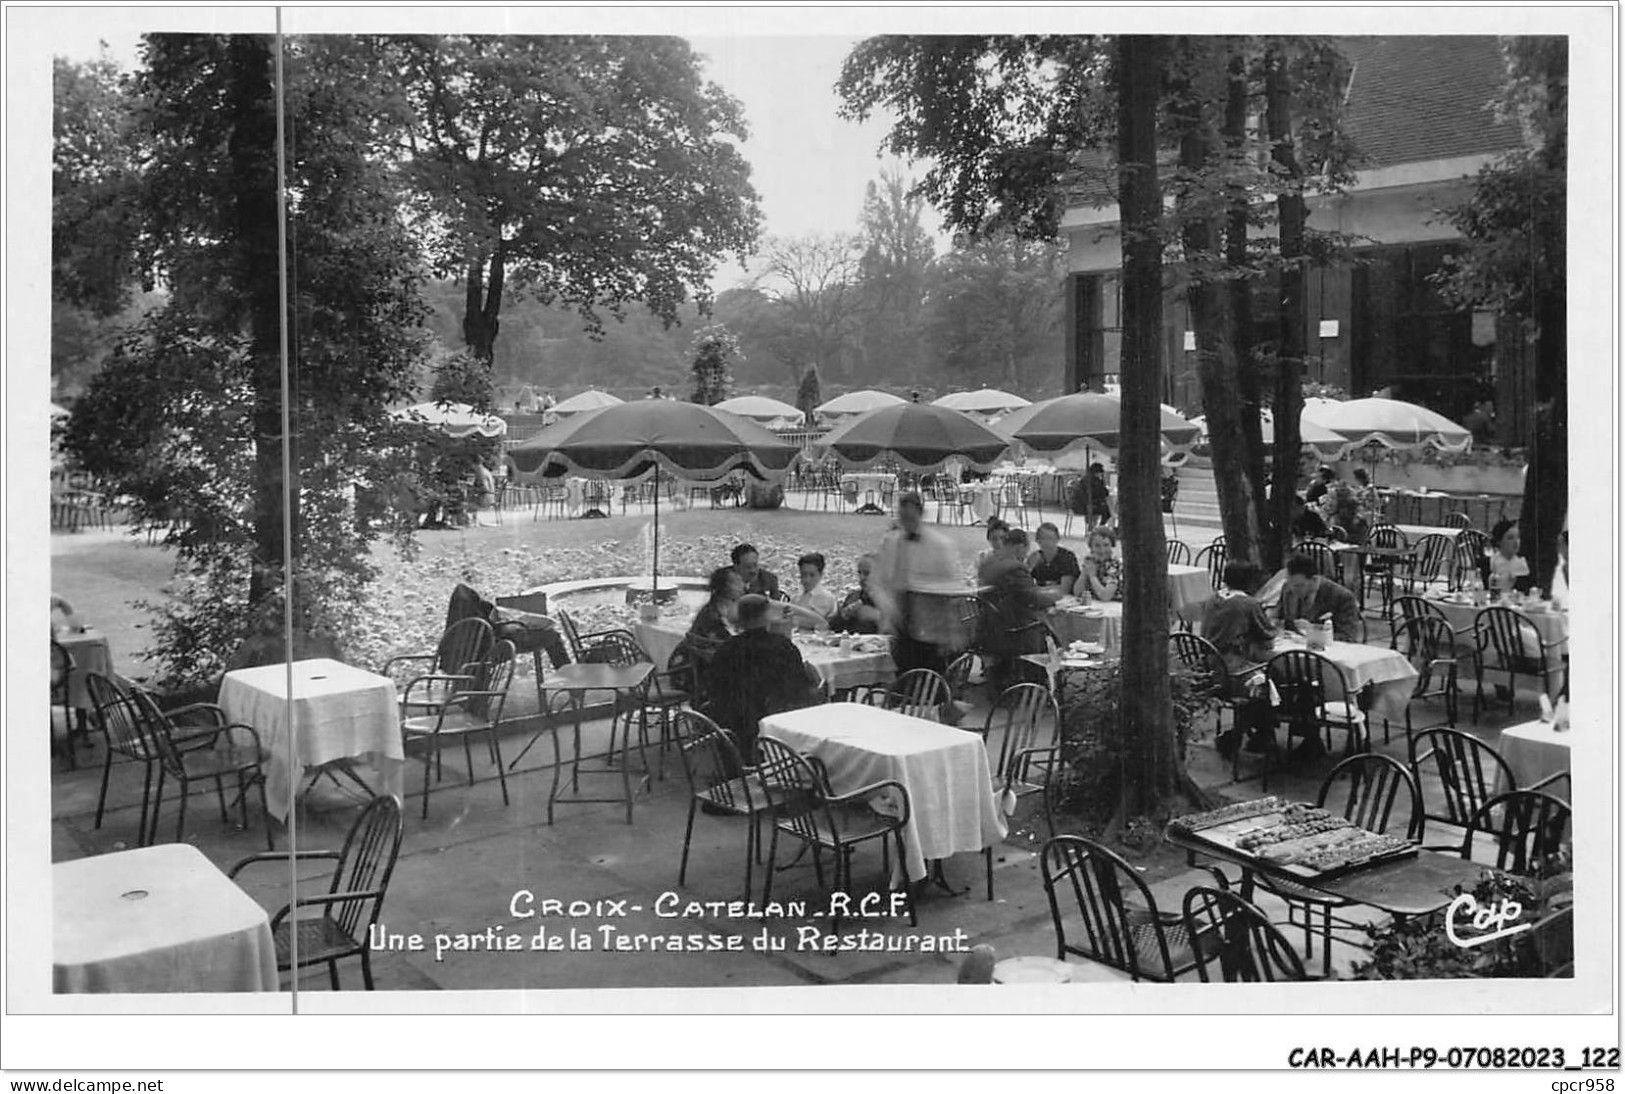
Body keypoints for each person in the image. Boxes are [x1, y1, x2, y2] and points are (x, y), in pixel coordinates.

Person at [700, 594, 819, 767]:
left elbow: (714, 686)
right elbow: (797, 690)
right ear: (766, 616)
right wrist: (813, 681)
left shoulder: (726, 649)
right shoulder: (782, 647)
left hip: (733, 729)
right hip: (773, 729)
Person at [873, 491, 961, 675]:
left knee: (928, 678)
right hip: (900, 620)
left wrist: (950, 632)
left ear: (920, 514)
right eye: (902, 516)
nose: (906, 522)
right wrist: (890, 610)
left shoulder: (940, 545)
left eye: (910, 517)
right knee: (901, 676)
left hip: (930, 623)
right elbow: (878, 581)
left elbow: (953, 587)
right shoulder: (890, 542)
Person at [1200, 561, 1280, 758]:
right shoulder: (1247, 604)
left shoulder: (1212, 599)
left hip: (1208, 668)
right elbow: (1267, 635)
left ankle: (1258, 733)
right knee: (1270, 676)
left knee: (1263, 677)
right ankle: (1247, 733)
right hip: (1232, 671)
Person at [976, 527, 1059, 695]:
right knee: (1053, 630)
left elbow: (1014, 592)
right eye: (1026, 550)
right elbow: (1033, 599)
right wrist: (1055, 598)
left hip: (986, 625)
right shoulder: (1014, 568)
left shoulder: (988, 562)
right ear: (1020, 546)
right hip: (1011, 631)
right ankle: (1041, 683)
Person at [1275, 553, 1362, 642]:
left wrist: (1313, 631)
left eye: (1299, 585)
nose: (1293, 590)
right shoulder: (1287, 588)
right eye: (1290, 584)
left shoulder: (1342, 597)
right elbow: (1279, 620)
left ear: (1314, 579)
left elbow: (1348, 637)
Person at [682, 566, 744, 670]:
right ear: (725, 587)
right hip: (718, 672)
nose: (742, 585)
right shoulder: (714, 616)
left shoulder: (717, 608)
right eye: (737, 582)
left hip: (708, 668)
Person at [833, 554, 884, 634]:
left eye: (867, 573)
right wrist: (844, 615)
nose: (862, 577)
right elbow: (834, 630)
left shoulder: (892, 603)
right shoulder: (853, 597)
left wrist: (876, 617)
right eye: (859, 573)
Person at [1027, 522, 1081, 596]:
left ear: (1057, 539)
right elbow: (1025, 584)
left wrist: (1039, 589)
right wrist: (1029, 567)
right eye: (1043, 538)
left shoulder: (1067, 557)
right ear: (1037, 540)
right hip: (1042, 596)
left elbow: (1065, 588)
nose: (1047, 542)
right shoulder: (1034, 557)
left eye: (1050, 538)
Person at [790, 552, 839, 626]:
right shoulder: (795, 599)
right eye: (803, 574)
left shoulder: (828, 599)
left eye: (812, 575)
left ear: (820, 574)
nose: (807, 579)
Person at [1488, 519, 1532, 595]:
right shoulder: (1493, 562)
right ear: (1499, 541)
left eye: (1518, 537)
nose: (1516, 542)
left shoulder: (1521, 562)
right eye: (1510, 538)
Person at [1078, 528, 1123, 602]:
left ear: (1112, 545)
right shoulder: (1091, 561)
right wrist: (1084, 572)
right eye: (1097, 546)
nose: (1102, 550)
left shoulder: (1115, 564)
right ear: (1091, 547)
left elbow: (1105, 596)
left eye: (1106, 545)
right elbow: (1078, 592)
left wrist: (1092, 576)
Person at [1084, 462, 1113, 531]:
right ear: (1097, 472)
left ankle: (1094, 527)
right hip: (1092, 505)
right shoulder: (1096, 481)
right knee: (1107, 511)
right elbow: (1104, 493)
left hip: (1083, 504)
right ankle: (1099, 528)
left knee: (1105, 507)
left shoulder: (1085, 479)